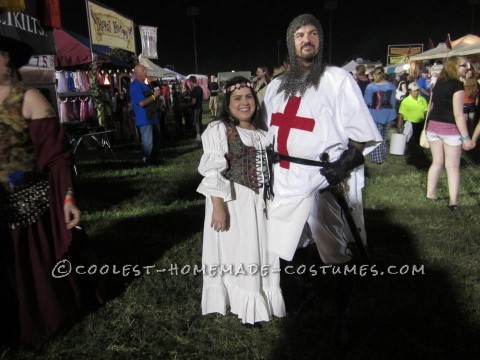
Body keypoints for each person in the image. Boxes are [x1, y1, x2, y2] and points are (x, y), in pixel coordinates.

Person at [262, 14, 381, 331]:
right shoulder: (274, 87)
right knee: (284, 243)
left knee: (333, 248)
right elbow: (263, 131)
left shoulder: (337, 80)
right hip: (283, 176)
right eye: (300, 34)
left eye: (313, 33)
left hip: (320, 179)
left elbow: (361, 133)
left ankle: (342, 310)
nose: (307, 39)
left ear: (320, 40)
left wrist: (344, 164)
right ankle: (297, 295)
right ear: (291, 43)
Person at [0, 35, 93, 346]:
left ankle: (42, 319)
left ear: (6, 60)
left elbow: (58, 157)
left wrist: (68, 198)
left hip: (27, 203)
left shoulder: (29, 99)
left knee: (34, 272)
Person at [197, 76, 286, 324]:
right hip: (234, 202)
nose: (244, 102)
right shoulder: (220, 130)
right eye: (237, 98)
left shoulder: (263, 134)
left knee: (261, 250)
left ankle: (262, 297)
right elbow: (212, 170)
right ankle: (243, 302)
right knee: (239, 252)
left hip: (262, 204)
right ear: (228, 104)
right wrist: (218, 207)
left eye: (249, 97)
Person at [425, 56, 475, 210]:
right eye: (463, 65)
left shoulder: (439, 82)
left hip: (433, 127)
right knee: (452, 166)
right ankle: (453, 202)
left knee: (437, 162)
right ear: (454, 66)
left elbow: (432, 105)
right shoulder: (457, 85)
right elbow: (458, 114)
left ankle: (430, 194)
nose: (467, 68)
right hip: (450, 129)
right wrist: (466, 138)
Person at [129, 64, 162, 165]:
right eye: (143, 70)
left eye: (145, 70)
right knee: (148, 142)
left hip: (152, 117)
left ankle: (154, 159)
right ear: (137, 73)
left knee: (156, 141)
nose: (145, 72)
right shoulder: (135, 86)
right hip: (144, 119)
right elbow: (141, 103)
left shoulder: (145, 85)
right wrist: (154, 96)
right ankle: (146, 160)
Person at [364, 66, 397, 164]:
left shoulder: (371, 87)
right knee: (383, 136)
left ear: (375, 75)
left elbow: (366, 101)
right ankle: (383, 155)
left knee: (376, 138)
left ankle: (377, 159)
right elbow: (393, 102)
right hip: (389, 114)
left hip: (375, 115)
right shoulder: (391, 85)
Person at [396, 82, 428, 153]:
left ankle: (418, 150)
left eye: (417, 90)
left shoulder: (422, 99)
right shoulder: (405, 101)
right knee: (407, 138)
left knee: (418, 138)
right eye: (414, 90)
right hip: (409, 122)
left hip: (420, 122)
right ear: (410, 90)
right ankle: (406, 149)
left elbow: (426, 111)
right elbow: (401, 113)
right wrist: (399, 123)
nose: (416, 92)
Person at [189, 75, 204, 142]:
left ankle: (198, 136)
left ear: (191, 81)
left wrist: (189, 104)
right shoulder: (200, 88)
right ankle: (201, 134)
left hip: (196, 108)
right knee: (199, 121)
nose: (189, 83)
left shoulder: (194, 90)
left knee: (196, 122)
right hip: (200, 106)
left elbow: (194, 101)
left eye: (190, 82)